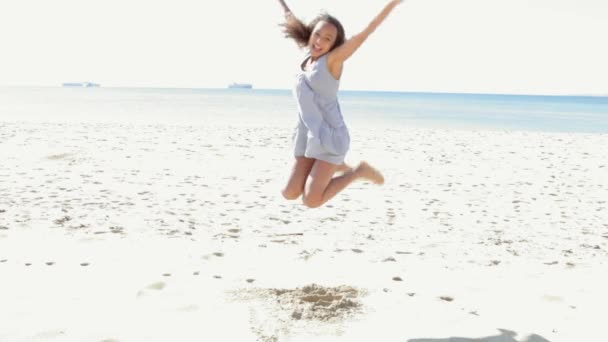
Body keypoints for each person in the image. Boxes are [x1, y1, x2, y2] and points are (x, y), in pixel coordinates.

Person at [278, 0, 404, 208]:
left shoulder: (331, 62)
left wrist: (393, 4)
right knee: (289, 192)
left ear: (334, 45)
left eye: (327, 39)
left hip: (329, 136)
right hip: (308, 134)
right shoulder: (307, 54)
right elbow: (289, 16)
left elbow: (363, 35)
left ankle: (358, 171)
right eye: (317, 34)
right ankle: (334, 166)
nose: (319, 41)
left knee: (311, 200)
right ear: (311, 33)